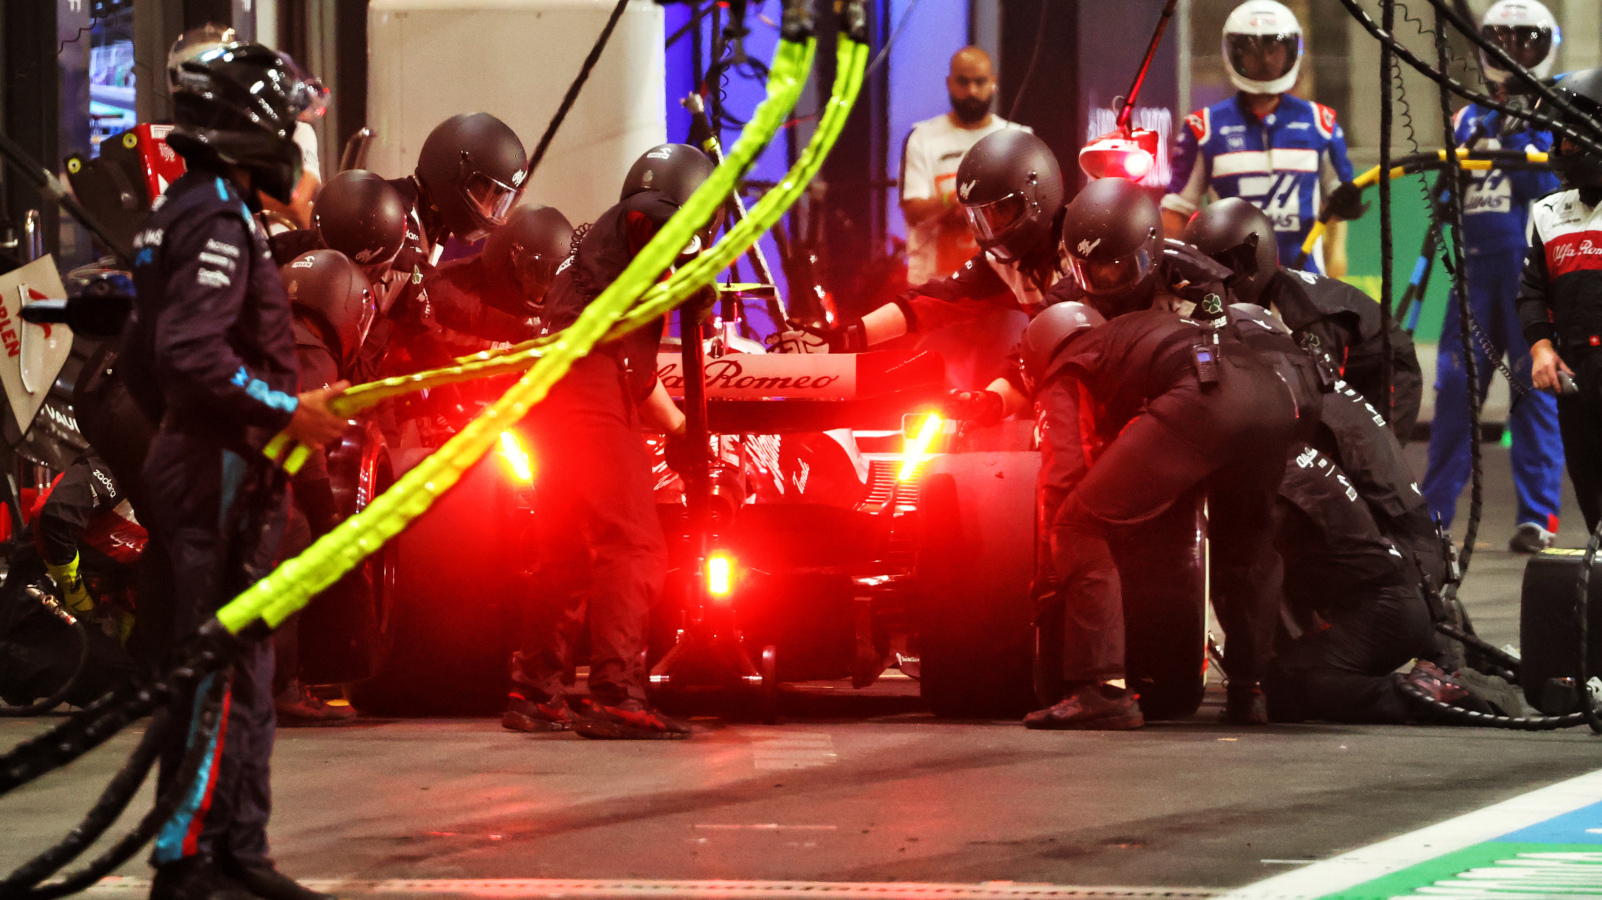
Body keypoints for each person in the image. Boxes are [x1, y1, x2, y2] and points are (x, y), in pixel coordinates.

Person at [121, 42, 348, 900]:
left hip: (214, 460)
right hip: (215, 467)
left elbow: (147, 359)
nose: (302, 143)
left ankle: (234, 853)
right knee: (220, 671)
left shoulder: (194, 206)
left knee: (240, 668)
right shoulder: (215, 217)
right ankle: (196, 863)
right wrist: (287, 412)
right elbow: (188, 356)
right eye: (293, 123)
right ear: (256, 127)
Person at [1011, 179, 1299, 729]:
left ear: (1148, 250)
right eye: (1092, 271)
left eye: (1118, 268)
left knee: (1079, 522)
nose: (1105, 283)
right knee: (1250, 545)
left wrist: (1053, 555)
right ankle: (1251, 688)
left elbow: (1064, 468)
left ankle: (1104, 687)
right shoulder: (1065, 301)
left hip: (1193, 404)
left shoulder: (1203, 279)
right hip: (1268, 400)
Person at [503, 143, 706, 740]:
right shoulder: (640, 222)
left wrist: (683, 432)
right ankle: (618, 692)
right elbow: (655, 214)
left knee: (565, 550)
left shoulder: (608, 259)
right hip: (585, 387)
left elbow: (639, 381)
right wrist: (695, 265)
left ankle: (535, 690)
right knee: (635, 545)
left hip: (559, 387)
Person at [1421, 0, 1566, 553]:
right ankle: (1433, 514)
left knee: (1535, 395)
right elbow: (1442, 198)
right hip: (1475, 279)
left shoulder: (1560, 114)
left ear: (1543, 44)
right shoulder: (1467, 117)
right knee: (1455, 391)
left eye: (1522, 41)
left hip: (1532, 277)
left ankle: (1538, 518)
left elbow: (1555, 194)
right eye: (1500, 41)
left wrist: (1518, 145)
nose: (1511, 52)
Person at [782, 129, 1064, 391]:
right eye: (982, 216)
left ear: (1037, 196)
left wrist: (993, 401)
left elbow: (1049, 349)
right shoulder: (1004, 264)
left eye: (1001, 210)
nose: (993, 225)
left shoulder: (1080, 252)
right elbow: (933, 301)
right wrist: (844, 338)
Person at [1182, 197, 1423, 443]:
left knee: (1363, 455)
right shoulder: (1256, 299)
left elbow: (1323, 397)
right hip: (1339, 366)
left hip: (1386, 373)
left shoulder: (1302, 317)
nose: (1213, 284)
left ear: (1252, 264)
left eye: (1224, 271)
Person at [1162, 0, 1361, 277]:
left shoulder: (1320, 123)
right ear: (1234, 53)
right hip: (1231, 286)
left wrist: (1337, 255)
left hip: (1306, 282)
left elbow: (1337, 199)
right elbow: (1176, 212)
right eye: (1254, 52)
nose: (1266, 60)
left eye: (1274, 49)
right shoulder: (1203, 127)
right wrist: (1180, 275)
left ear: (1291, 52)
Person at [272, 249, 378, 726]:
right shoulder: (312, 352)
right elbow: (305, 448)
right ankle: (283, 688)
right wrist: (328, 520)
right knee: (288, 532)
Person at [1522, 68, 1602, 534]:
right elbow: (1531, 291)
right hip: (1573, 371)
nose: (1560, 150)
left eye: (1569, 140)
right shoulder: (1548, 210)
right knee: (1591, 493)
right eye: (1558, 138)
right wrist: (1540, 347)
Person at [899, 47, 1031, 285]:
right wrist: (952, 201)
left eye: (980, 82)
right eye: (963, 82)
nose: (972, 91)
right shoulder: (922, 137)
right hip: (935, 285)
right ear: (949, 83)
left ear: (993, 83)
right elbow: (912, 212)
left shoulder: (1018, 138)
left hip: (1002, 287)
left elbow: (1034, 213)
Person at [420, 204, 572, 353]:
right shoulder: (444, 287)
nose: (542, 295)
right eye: (538, 274)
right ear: (511, 260)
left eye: (555, 277)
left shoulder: (558, 312)